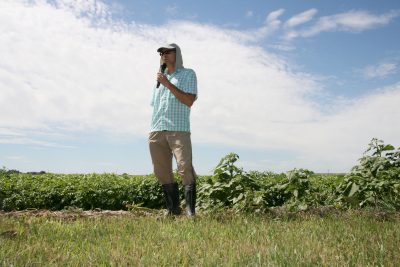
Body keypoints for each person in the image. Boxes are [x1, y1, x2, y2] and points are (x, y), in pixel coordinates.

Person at [149, 43, 198, 216]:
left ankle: (191, 212)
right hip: (156, 130)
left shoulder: (188, 74)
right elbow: (154, 106)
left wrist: (167, 83)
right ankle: (173, 210)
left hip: (178, 129)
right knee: (161, 170)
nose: (163, 54)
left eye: (168, 51)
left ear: (177, 54)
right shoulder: (158, 80)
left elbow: (189, 101)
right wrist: (163, 82)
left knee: (184, 168)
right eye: (161, 52)